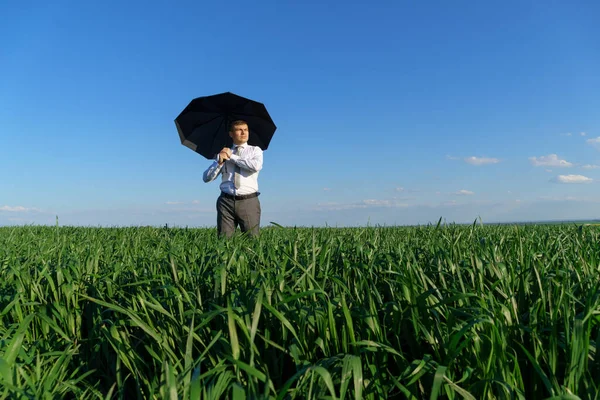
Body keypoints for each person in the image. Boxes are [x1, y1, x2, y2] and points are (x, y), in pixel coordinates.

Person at [202, 120, 263, 238]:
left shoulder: (255, 150)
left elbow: (255, 166)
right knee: (224, 241)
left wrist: (232, 157)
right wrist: (219, 162)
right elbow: (206, 178)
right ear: (231, 134)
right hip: (226, 201)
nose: (243, 132)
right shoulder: (224, 153)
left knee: (252, 239)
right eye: (239, 130)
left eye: (245, 130)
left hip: (249, 200)